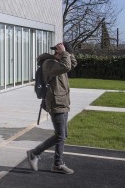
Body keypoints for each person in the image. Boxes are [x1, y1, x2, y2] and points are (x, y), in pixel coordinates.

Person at [27, 41, 77, 174]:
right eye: (62, 52)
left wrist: (67, 53)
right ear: (58, 52)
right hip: (56, 102)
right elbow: (66, 66)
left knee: (63, 135)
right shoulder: (49, 63)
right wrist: (64, 53)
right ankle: (35, 153)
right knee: (60, 135)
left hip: (63, 101)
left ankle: (57, 164)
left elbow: (72, 64)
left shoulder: (59, 62)